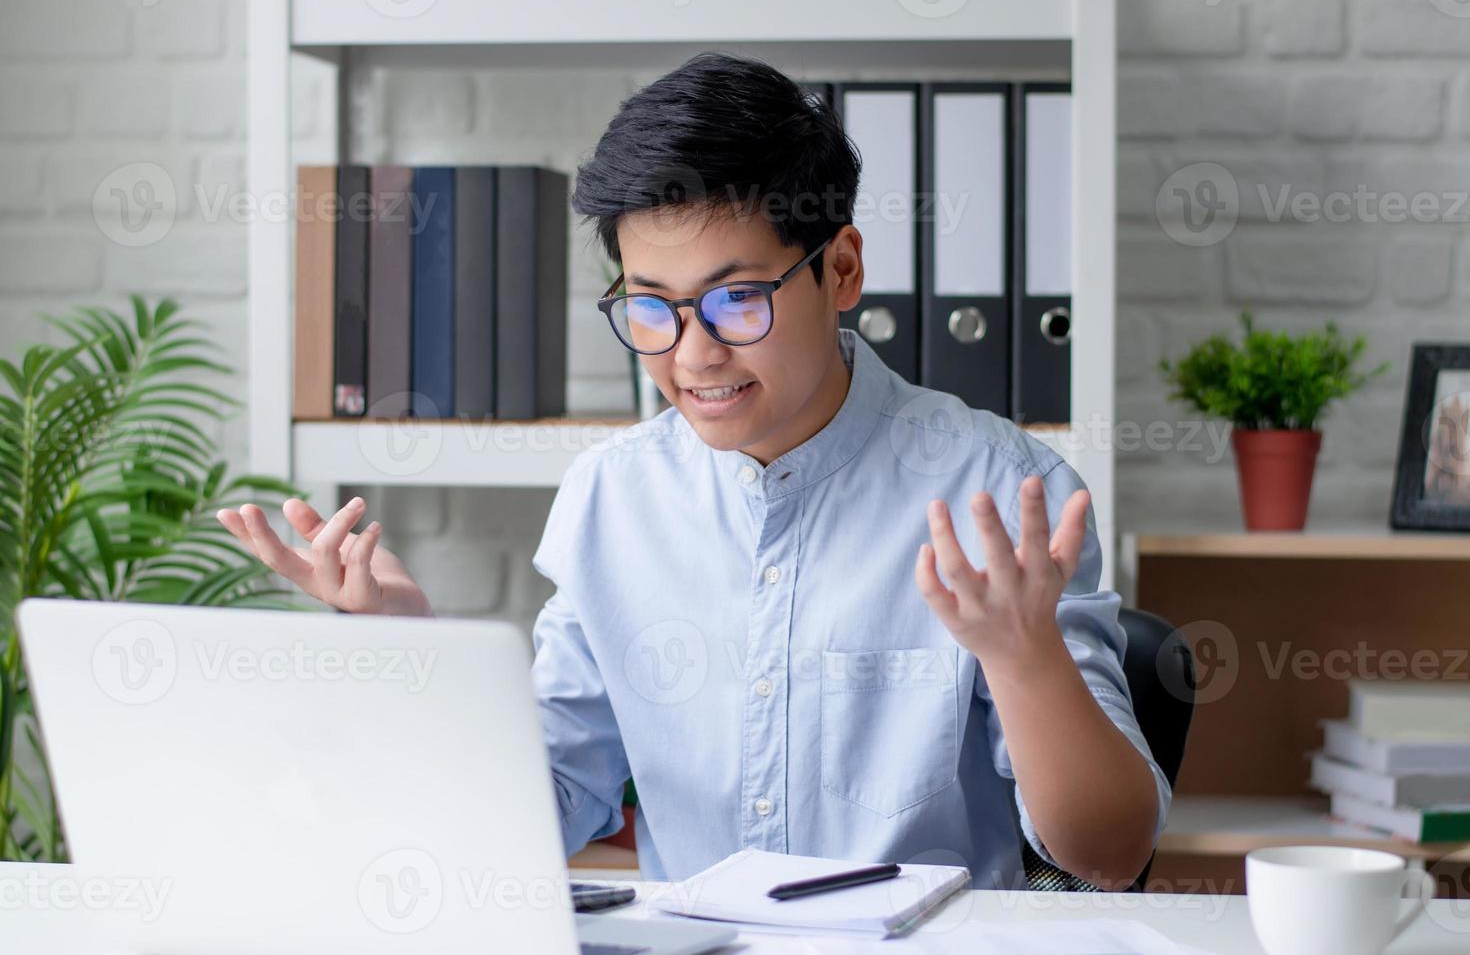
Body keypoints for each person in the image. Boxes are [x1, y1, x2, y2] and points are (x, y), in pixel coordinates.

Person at [218, 52, 1168, 890]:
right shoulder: (614, 497)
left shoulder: (997, 493)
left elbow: (1108, 856)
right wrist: (418, 661)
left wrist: (1023, 655)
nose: (693, 353)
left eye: (737, 300)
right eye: (652, 308)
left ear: (840, 272)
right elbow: (541, 809)